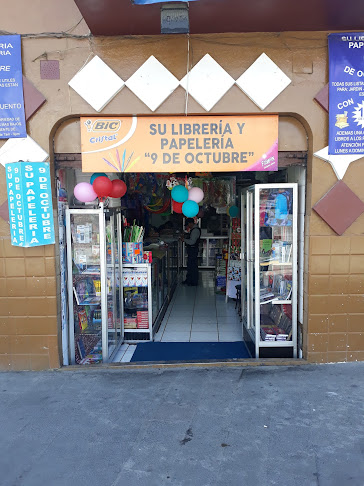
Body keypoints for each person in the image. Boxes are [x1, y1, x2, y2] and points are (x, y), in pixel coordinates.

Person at [182, 218, 201, 286]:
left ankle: (193, 281)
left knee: (192, 266)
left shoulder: (195, 230)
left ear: (190, 223)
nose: (187, 226)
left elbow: (192, 241)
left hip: (193, 249)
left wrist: (184, 240)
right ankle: (189, 280)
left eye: (187, 225)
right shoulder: (193, 230)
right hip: (192, 250)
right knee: (190, 265)